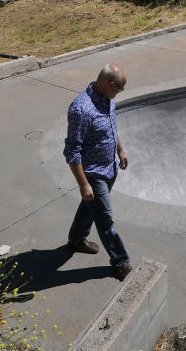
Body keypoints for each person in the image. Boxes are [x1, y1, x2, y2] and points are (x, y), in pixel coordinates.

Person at [63, 63, 132, 281]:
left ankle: (76, 239)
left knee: (89, 206)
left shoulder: (108, 98)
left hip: (109, 167)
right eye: (120, 89)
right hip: (93, 173)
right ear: (110, 83)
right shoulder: (81, 109)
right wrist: (84, 183)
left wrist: (120, 149)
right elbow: (72, 151)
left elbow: (111, 126)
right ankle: (121, 262)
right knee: (105, 220)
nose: (119, 93)